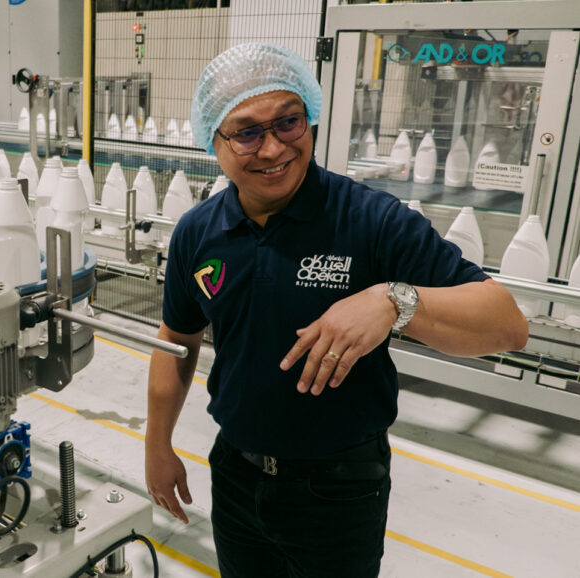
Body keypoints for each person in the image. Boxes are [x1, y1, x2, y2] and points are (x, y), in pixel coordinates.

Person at [145, 42, 528, 577]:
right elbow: (176, 338)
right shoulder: (198, 232)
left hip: (339, 488)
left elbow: (507, 324)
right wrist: (156, 444)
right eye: (248, 132)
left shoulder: (371, 221)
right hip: (235, 472)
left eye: (289, 122)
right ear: (214, 141)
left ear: (311, 119)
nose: (274, 148)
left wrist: (394, 300)